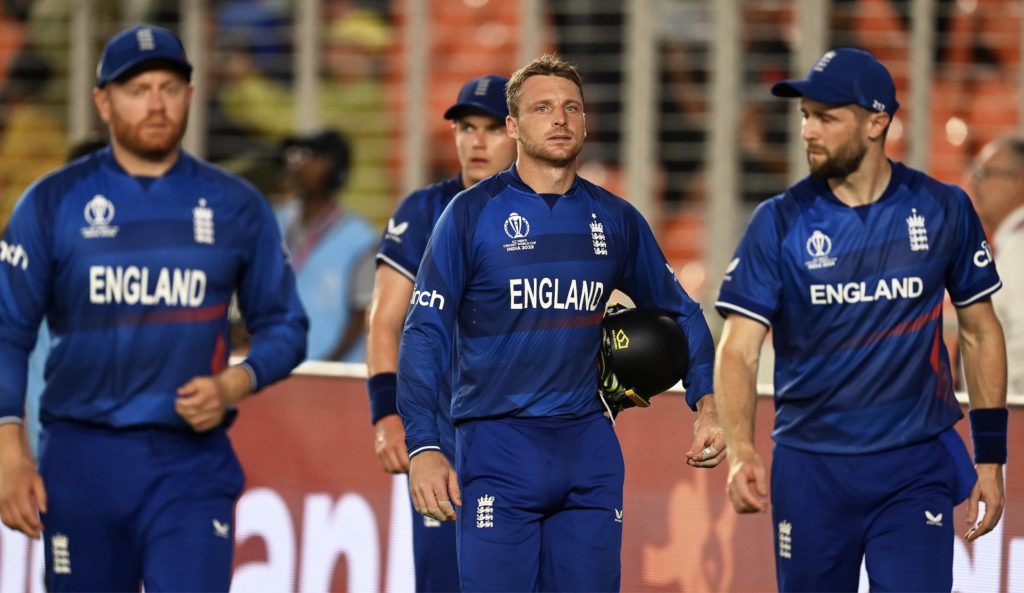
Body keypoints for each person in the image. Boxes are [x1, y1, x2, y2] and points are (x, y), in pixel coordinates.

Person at [397, 54, 723, 592]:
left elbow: (683, 312)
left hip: (589, 452)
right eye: (543, 108)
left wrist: (707, 404)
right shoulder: (469, 215)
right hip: (498, 448)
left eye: (572, 107)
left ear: (587, 123)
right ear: (513, 126)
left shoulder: (616, 220)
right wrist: (424, 447)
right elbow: (424, 332)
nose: (560, 119)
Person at [0, 24, 308, 592]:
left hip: (188, 464)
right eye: (137, 89)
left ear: (191, 96)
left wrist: (232, 386)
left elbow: (286, 325)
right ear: (103, 102)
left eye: (170, 86)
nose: (156, 103)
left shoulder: (235, 206)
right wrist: (8, 451)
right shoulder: (51, 202)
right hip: (80, 458)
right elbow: (7, 331)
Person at [714, 48, 1007, 592]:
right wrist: (742, 449)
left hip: (914, 464)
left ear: (877, 122)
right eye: (804, 115)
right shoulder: (777, 223)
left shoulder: (944, 208)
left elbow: (980, 329)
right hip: (811, 469)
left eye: (826, 117)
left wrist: (992, 458)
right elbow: (738, 348)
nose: (808, 131)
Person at [366, 73, 518, 592]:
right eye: (466, 127)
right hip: (444, 443)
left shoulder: (550, 212)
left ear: (519, 132)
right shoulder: (423, 210)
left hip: (525, 441)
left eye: (493, 128)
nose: (476, 142)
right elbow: (387, 319)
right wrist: (386, 412)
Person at [278, 128, 377, 362]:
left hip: (336, 376)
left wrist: (326, 369)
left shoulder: (359, 237)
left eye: (312, 155)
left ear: (337, 168)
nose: (299, 162)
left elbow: (364, 313)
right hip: (278, 370)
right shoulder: (275, 222)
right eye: (295, 153)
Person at [970, 136, 1024, 395]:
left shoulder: (1019, 250)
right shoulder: (1012, 245)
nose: (975, 183)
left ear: (1019, 181)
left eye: (985, 172)